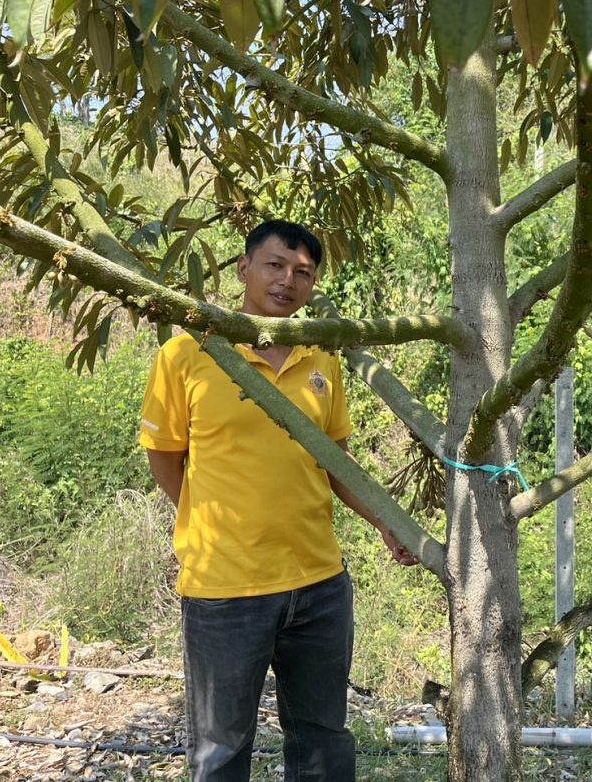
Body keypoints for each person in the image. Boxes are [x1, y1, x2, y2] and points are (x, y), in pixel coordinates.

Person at [139, 219, 416, 781]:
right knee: (220, 750)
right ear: (243, 269)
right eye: (274, 265)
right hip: (225, 590)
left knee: (322, 740)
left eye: (303, 272)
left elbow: (336, 461)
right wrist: (208, 512)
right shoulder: (191, 351)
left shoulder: (322, 354)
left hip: (318, 585)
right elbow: (166, 457)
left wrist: (386, 522)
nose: (287, 280)